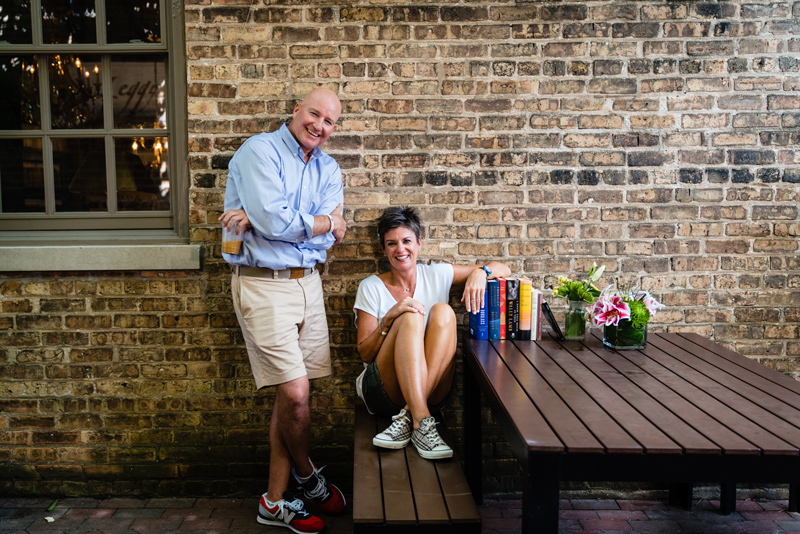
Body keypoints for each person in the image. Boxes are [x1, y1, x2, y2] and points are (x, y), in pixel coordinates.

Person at [219, 87, 346, 534]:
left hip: (308, 285)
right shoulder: (260, 151)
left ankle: (274, 502)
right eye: (314, 114)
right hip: (263, 285)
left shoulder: (329, 169)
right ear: (296, 111)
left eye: (330, 122)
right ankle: (307, 475)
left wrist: (276, 220)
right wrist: (285, 220)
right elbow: (279, 221)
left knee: (289, 396)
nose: (320, 126)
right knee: (295, 395)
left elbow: (328, 235)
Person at [353, 207, 511, 459]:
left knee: (443, 312)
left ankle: (410, 416)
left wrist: (482, 272)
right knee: (409, 316)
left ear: (419, 243)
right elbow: (365, 353)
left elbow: (503, 268)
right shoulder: (370, 287)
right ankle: (422, 420)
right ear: (384, 249)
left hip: (434, 387)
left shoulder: (437, 274)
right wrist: (389, 319)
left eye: (406, 241)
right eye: (391, 244)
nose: (400, 249)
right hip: (384, 391)